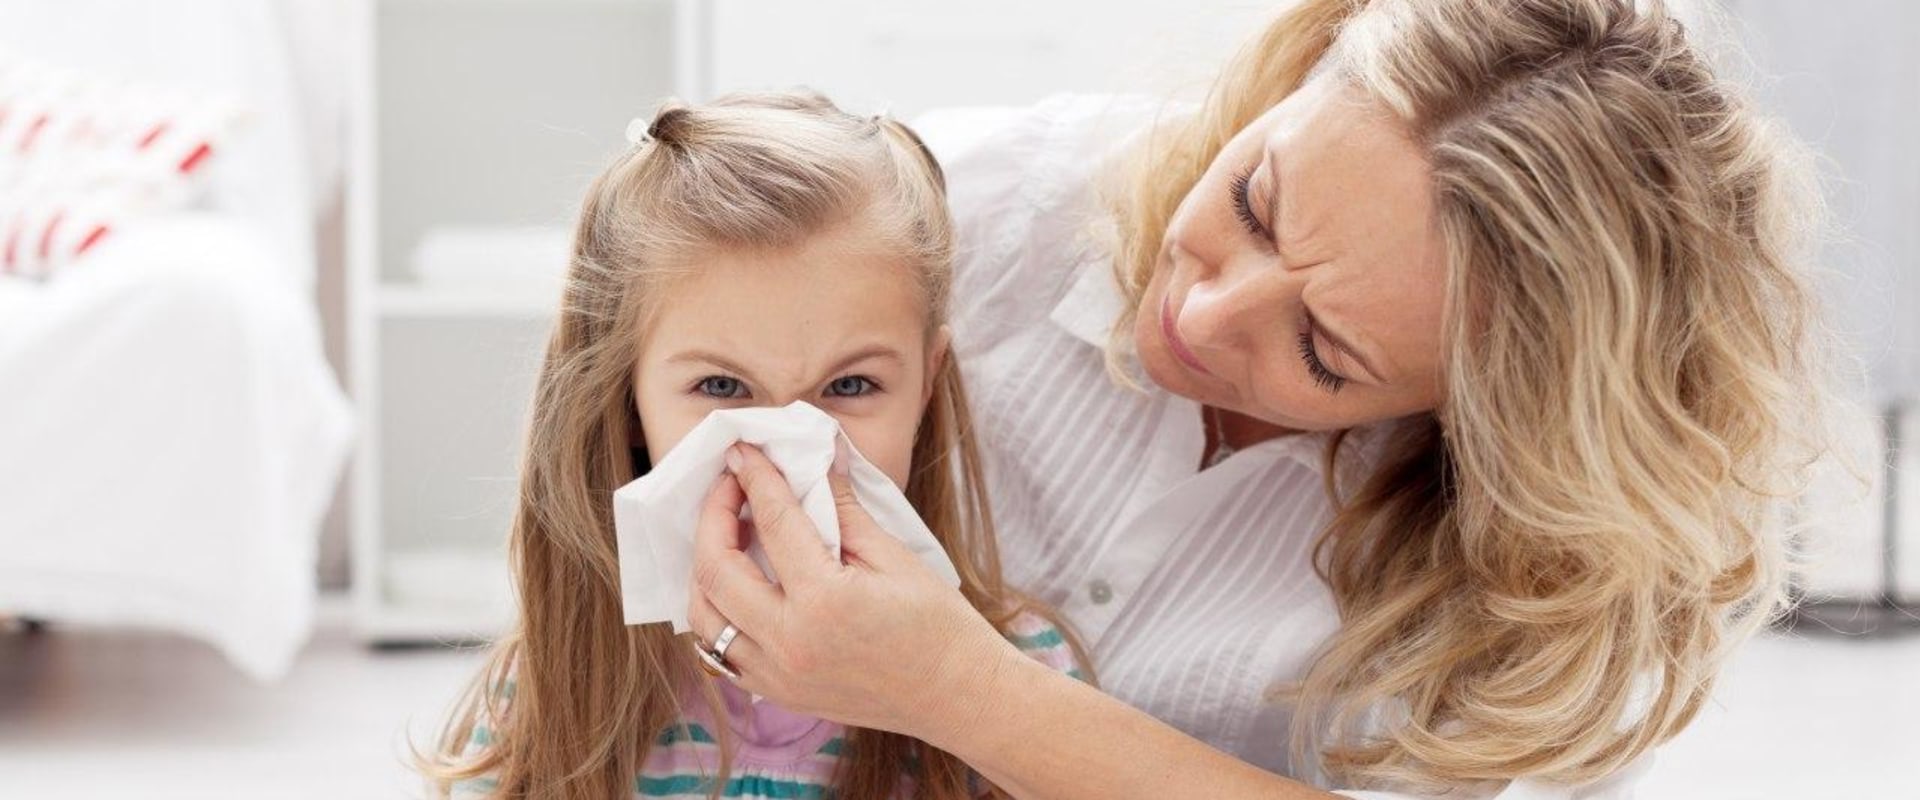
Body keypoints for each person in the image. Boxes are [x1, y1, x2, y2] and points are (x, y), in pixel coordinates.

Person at [685, 0, 1844, 797]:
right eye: (1250, 201)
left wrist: (962, 691)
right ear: (1298, 75)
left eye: (1326, 351)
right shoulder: (982, 215)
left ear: (1490, 415)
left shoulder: (1561, 583)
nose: (1200, 315)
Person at [418, 90, 1089, 799]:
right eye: (722, 388)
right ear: (627, 399)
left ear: (926, 385)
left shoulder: (1015, 679)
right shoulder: (553, 687)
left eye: (851, 386)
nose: (782, 450)